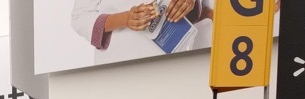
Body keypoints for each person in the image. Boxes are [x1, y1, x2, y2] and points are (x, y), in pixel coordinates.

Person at [70, 0, 212, 64]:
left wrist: (189, 3)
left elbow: (201, 10)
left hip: (172, 62)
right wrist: (125, 19)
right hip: (120, 63)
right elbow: (80, 16)